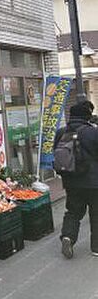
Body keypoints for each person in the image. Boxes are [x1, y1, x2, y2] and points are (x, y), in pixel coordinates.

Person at [55, 101, 98, 259]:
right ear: (87, 115)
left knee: (73, 212)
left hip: (71, 181)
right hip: (94, 182)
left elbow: (57, 154)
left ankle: (68, 237)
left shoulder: (61, 132)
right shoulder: (93, 132)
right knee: (96, 214)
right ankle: (96, 248)